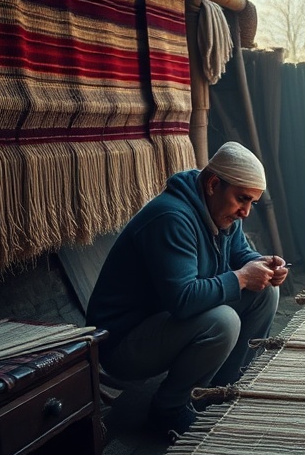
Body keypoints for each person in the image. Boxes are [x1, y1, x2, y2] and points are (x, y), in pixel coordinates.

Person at [85, 141, 288, 437]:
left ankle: (218, 394)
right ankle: (168, 410)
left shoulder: (222, 209)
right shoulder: (171, 218)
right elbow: (183, 299)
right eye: (242, 199)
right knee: (222, 321)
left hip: (164, 325)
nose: (246, 211)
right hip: (124, 345)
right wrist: (243, 278)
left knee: (267, 292)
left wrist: (263, 265)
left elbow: (241, 254)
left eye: (252, 203)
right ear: (214, 184)